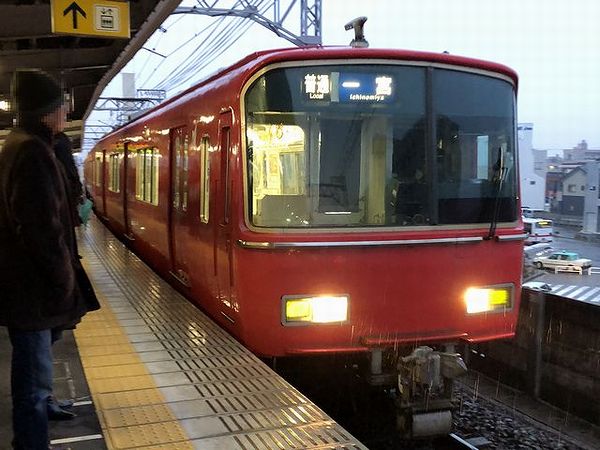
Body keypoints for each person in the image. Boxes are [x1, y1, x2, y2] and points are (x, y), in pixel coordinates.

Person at [0, 69, 95, 449]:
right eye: (62, 107)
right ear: (46, 112)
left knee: (36, 361)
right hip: (33, 287)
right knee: (33, 373)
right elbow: (41, 229)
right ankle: (31, 441)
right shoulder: (32, 152)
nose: (67, 113)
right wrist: (62, 280)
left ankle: (45, 409)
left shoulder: (23, 144)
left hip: (27, 284)